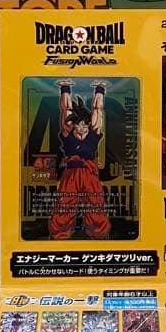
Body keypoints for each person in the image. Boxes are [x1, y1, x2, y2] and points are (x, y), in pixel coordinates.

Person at [49, 81, 111, 239]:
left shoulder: (93, 134)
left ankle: (99, 234)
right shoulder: (68, 133)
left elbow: (97, 110)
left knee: (95, 203)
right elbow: (66, 109)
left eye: (84, 125)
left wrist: (99, 89)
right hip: (71, 175)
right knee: (65, 204)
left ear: (88, 125)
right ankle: (60, 234)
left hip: (89, 174)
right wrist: (65, 88)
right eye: (78, 125)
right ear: (74, 126)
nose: (82, 128)